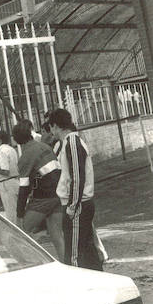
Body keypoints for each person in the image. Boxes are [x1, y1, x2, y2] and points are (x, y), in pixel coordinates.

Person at [49, 108, 103, 271]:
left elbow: (77, 177)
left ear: (56, 126)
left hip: (78, 204)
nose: (51, 132)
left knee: (74, 255)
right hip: (80, 203)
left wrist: (72, 206)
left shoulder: (72, 142)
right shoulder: (69, 142)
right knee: (87, 249)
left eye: (51, 127)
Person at [12, 121, 65, 263]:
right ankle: (68, 265)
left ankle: (31, 264)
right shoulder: (45, 146)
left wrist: (19, 214)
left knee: (21, 231)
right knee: (57, 235)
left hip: (43, 198)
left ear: (16, 139)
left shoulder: (25, 157)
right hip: (59, 195)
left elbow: (24, 188)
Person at [0, 130, 20, 225]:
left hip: (6, 184)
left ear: (0, 140)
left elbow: (5, 171)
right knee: (16, 211)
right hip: (14, 182)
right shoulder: (11, 149)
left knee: (11, 213)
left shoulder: (2, 151)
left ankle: (15, 236)